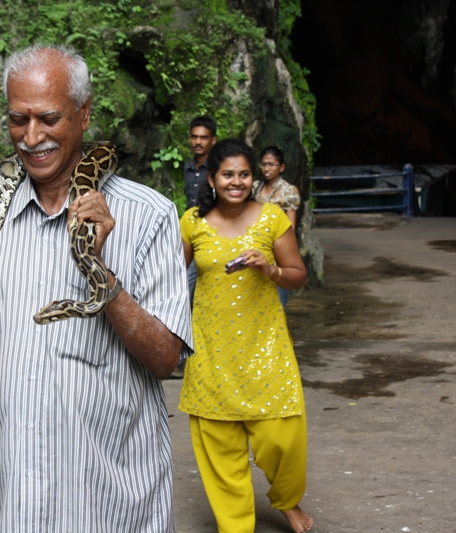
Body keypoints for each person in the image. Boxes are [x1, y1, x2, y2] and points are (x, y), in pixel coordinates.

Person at [0, 44, 193, 532]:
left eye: (48, 119)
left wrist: (99, 271)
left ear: (84, 115)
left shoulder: (149, 216)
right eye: (16, 121)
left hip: (113, 496)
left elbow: (166, 359)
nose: (31, 137)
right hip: (19, 496)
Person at [179, 139, 314, 533]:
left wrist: (270, 271)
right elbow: (168, 278)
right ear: (211, 178)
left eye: (243, 174)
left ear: (253, 177)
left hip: (265, 346)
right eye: (227, 174)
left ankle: (287, 500)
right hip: (211, 350)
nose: (235, 182)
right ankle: (235, 525)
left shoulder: (271, 218)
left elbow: (298, 275)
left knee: (282, 438)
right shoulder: (192, 222)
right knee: (219, 447)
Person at [173, 116, 217, 378]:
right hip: (191, 236)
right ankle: (181, 356)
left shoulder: (216, 170)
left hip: (211, 238)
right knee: (183, 294)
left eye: (203, 137)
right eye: (194, 137)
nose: (198, 142)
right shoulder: (189, 168)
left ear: (213, 140)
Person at [252, 146, 301, 309]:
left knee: (278, 301)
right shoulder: (255, 187)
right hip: (255, 247)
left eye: (272, 164)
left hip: (277, 250)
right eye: (264, 164)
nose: (266, 168)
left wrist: (282, 249)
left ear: (282, 167)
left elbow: (290, 228)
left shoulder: (288, 191)